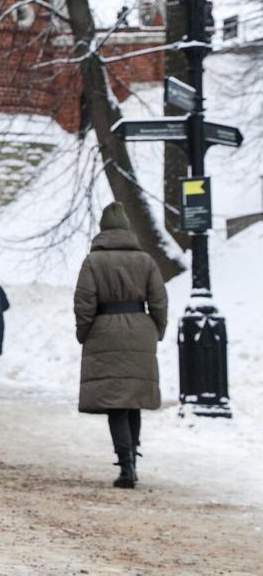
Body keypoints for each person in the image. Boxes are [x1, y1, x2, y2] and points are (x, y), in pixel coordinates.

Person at [74, 202, 168, 489]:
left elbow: (84, 302)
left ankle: (125, 464)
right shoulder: (146, 261)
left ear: (103, 229)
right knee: (133, 400)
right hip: (140, 330)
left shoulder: (93, 261)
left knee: (115, 403)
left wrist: (84, 332)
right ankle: (133, 462)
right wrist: (156, 329)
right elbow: (159, 301)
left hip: (104, 331)